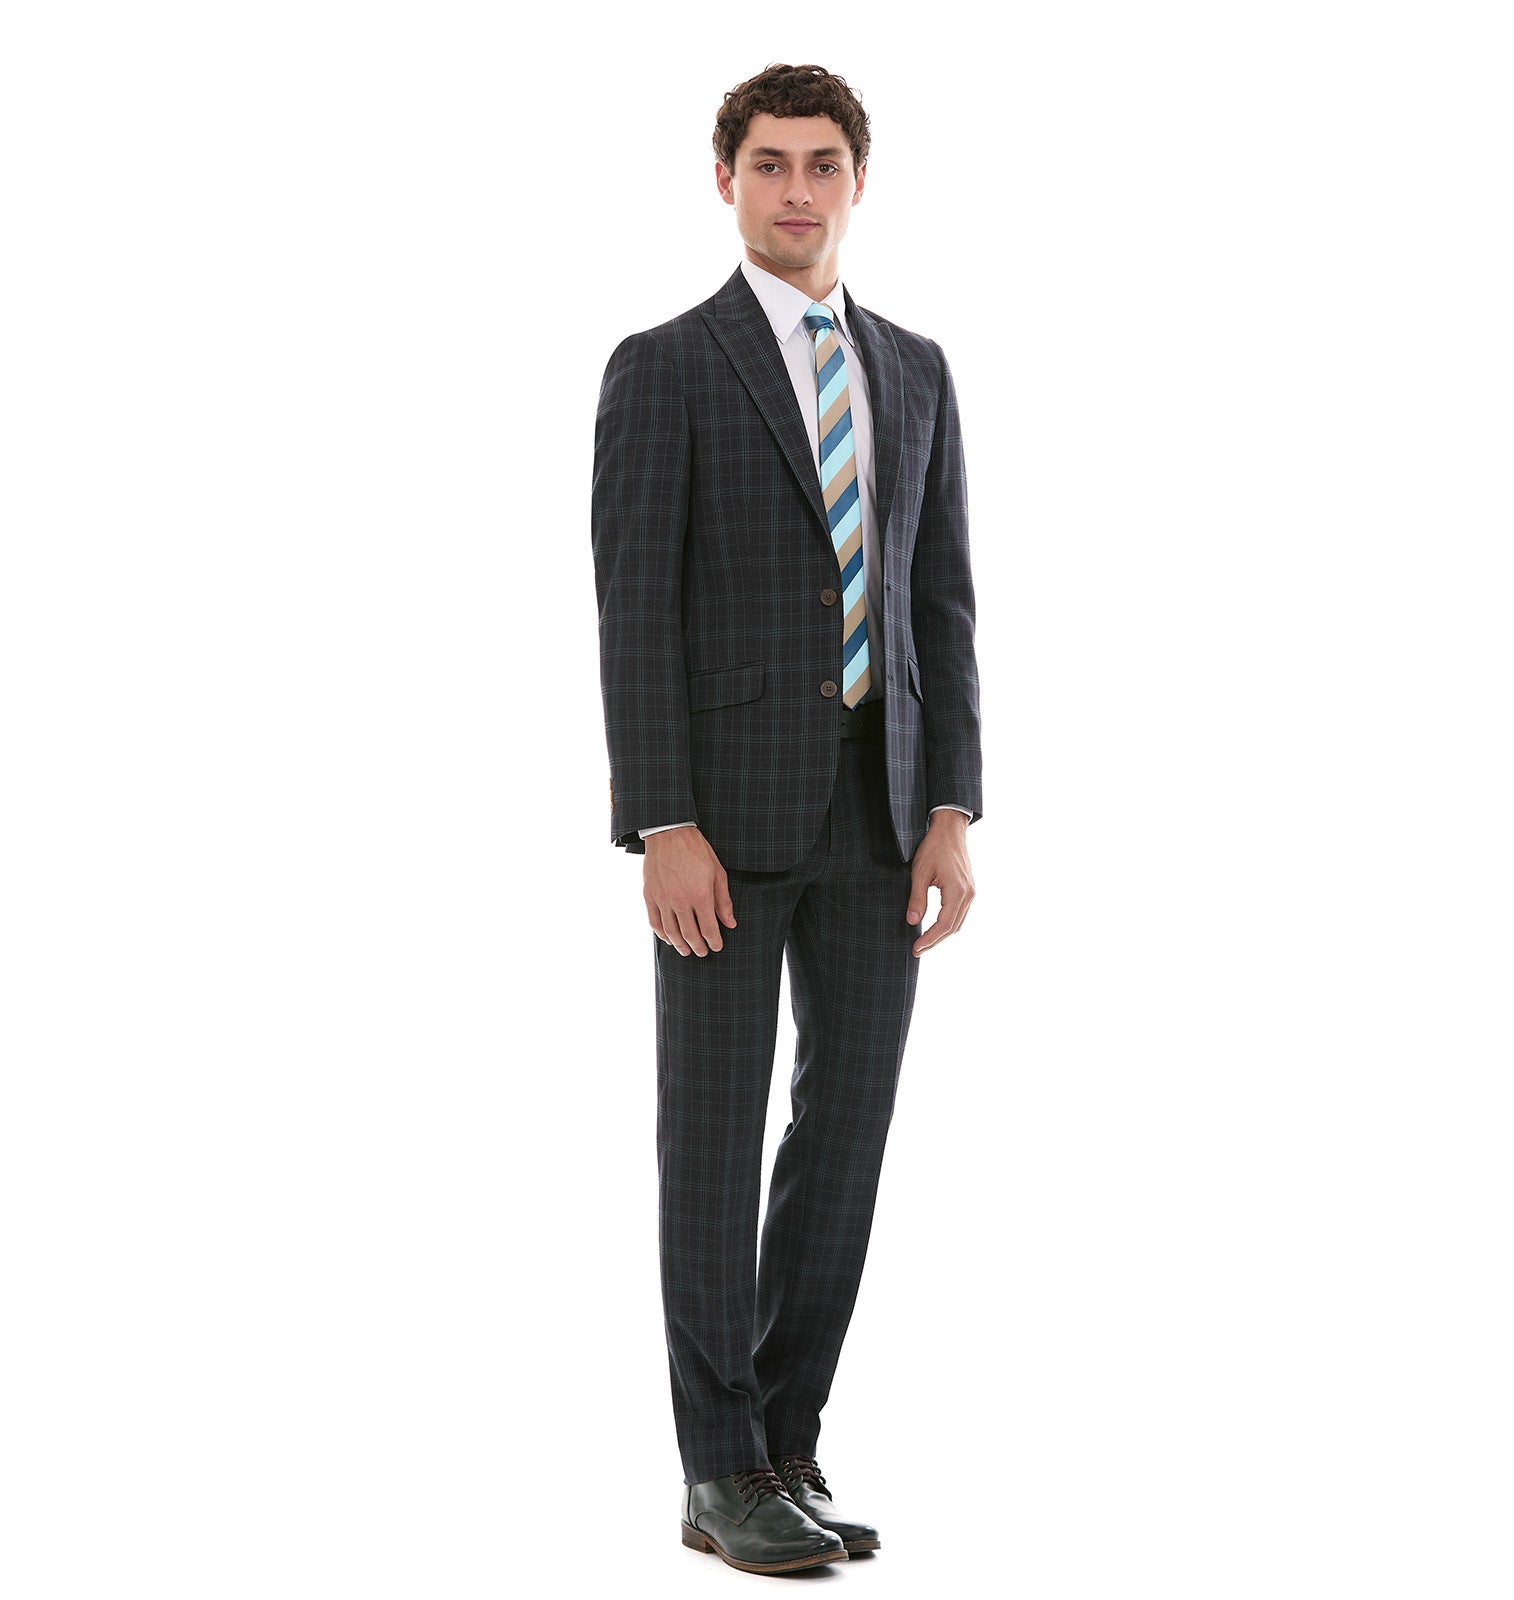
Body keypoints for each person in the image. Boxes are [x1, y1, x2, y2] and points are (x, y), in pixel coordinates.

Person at [590, 62, 983, 1575]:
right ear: (727, 181)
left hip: (883, 816)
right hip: (725, 826)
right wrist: (661, 821)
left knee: (846, 1134)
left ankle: (785, 1444)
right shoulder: (664, 367)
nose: (797, 190)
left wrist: (951, 805)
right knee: (711, 1138)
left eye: (824, 163)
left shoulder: (916, 370)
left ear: (859, 183)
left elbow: (941, 602)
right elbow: (634, 609)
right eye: (770, 163)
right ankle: (716, 1471)